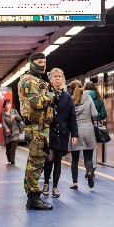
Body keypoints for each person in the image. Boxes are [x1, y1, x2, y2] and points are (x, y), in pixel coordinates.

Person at [18, 53, 54, 210]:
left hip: (37, 127)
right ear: (31, 63)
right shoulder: (31, 81)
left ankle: (31, 196)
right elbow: (37, 103)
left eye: (44, 62)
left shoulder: (33, 80)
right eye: (39, 62)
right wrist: (52, 96)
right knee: (37, 162)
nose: (43, 65)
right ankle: (33, 197)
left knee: (34, 161)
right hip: (37, 127)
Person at [42, 68, 78, 198]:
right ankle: (46, 183)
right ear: (50, 79)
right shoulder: (45, 94)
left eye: (60, 76)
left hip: (62, 133)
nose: (57, 78)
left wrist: (74, 134)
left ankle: (55, 187)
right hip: (48, 132)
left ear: (63, 79)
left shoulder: (67, 97)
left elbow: (72, 116)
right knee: (49, 158)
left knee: (58, 160)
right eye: (55, 76)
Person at [67, 80, 98, 189]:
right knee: (88, 157)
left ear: (70, 89)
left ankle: (75, 183)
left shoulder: (70, 100)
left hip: (75, 131)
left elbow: (67, 117)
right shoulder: (88, 97)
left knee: (74, 159)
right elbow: (94, 114)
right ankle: (89, 172)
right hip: (88, 130)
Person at [84, 81, 106, 176]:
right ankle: (92, 168)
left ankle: (88, 168)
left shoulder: (81, 98)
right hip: (95, 126)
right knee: (93, 148)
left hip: (84, 125)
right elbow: (103, 115)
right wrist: (98, 118)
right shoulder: (99, 99)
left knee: (84, 148)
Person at [1, 99, 23, 165]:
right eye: (7, 104)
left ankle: (13, 161)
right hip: (8, 133)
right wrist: (6, 129)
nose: (8, 105)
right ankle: (9, 158)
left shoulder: (14, 111)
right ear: (4, 106)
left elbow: (20, 119)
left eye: (9, 104)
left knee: (13, 148)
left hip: (15, 132)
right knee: (8, 148)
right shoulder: (3, 114)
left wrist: (15, 116)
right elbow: (3, 123)